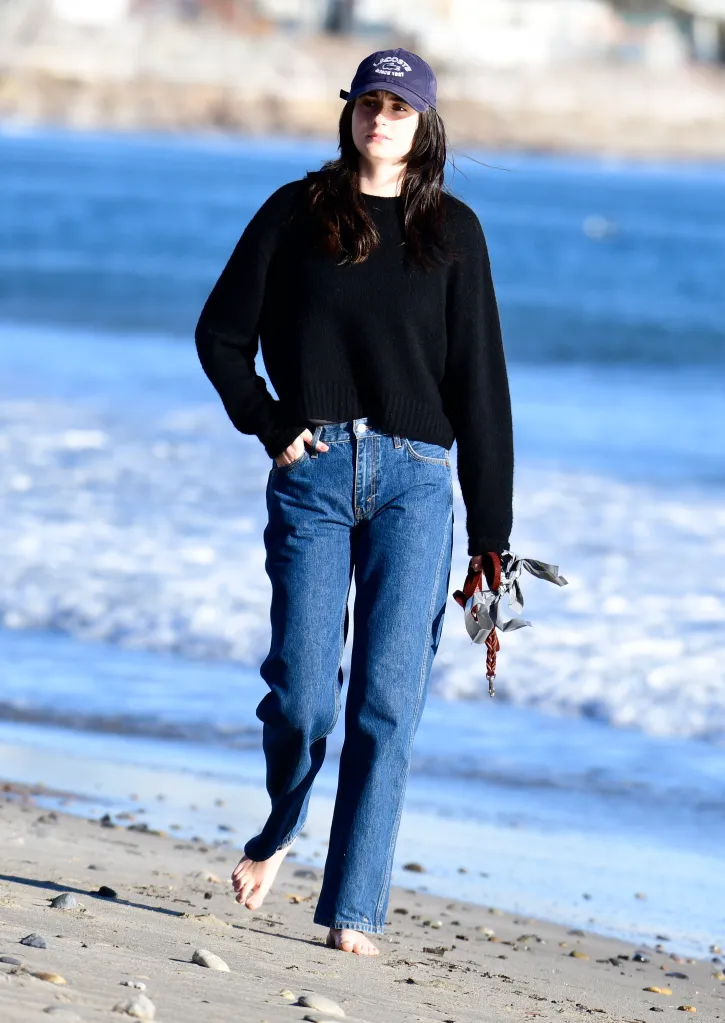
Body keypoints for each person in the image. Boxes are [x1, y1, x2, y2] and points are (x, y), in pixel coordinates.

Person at [194, 47, 514, 957]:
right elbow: (220, 335)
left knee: (386, 702)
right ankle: (279, 828)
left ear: (425, 123)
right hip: (316, 470)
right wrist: (268, 420)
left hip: (417, 478)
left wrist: (490, 537)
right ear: (350, 112)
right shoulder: (297, 213)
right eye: (369, 102)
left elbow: (481, 388)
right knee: (301, 693)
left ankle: (353, 909)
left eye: (400, 107)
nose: (382, 118)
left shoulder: (454, 231)